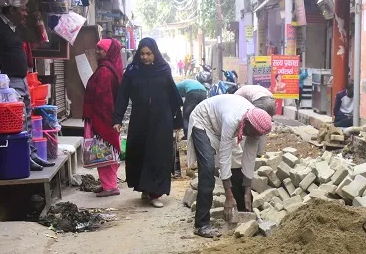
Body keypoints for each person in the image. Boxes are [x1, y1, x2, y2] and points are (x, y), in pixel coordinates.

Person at [187, 95, 273, 238]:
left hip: (222, 127)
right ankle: (201, 224)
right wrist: (228, 195)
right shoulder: (233, 119)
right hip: (204, 121)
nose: (250, 136)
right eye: (249, 133)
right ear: (246, 125)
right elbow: (224, 157)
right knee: (208, 168)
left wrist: (247, 190)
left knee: (237, 164)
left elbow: (249, 159)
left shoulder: (255, 127)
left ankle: (243, 213)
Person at [112, 38, 183, 208]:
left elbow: (173, 96)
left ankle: (155, 193)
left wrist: (178, 122)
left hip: (161, 120)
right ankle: (144, 187)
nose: (145, 57)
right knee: (140, 153)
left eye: (149, 54)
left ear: (155, 54)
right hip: (140, 120)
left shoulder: (163, 70)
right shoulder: (132, 71)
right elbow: (122, 96)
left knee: (158, 155)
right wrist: (117, 119)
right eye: (142, 54)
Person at [0, 3, 51, 170]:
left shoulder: (15, 29)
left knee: (26, 119)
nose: (25, 13)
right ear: (11, 10)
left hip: (21, 80)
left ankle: (31, 155)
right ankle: (22, 157)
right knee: (16, 122)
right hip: (6, 84)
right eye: (22, 10)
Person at [82, 38, 124, 197]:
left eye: (101, 49)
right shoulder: (110, 68)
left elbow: (104, 99)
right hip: (106, 117)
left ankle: (110, 186)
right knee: (106, 150)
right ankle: (108, 183)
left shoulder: (105, 71)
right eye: (98, 48)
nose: (97, 52)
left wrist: (101, 121)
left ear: (109, 52)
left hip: (103, 118)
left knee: (103, 150)